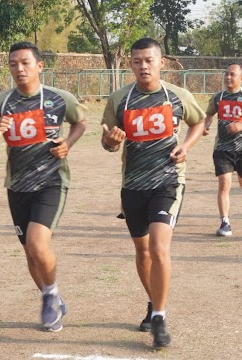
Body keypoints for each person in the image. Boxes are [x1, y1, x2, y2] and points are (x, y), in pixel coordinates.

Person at [100, 38, 205, 348]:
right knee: (143, 252)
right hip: (132, 185)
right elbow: (107, 141)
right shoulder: (119, 99)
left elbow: (198, 122)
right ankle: (152, 300)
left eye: (149, 60)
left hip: (168, 182)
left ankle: (159, 317)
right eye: (136, 61)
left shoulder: (177, 95)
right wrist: (112, 141)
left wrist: (185, 146)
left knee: (159, 248)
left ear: (161, 63)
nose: (143, 66)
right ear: (130, 64)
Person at [0, 42, 87, 332]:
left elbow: (80, 122)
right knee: (30, 251)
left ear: (39, 66)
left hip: (51, 181)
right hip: (17, 185)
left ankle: (50, 295)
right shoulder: (0, 103)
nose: (19, 68)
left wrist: (68, 143)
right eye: (13, 64)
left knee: (38, 243)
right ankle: (53, 297)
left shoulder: (59, 99)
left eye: (25, 62)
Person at [203, 63, 242, 236]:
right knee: (224, 184)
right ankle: (225, 222)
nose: (229, 78)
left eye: (233, 75)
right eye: (227, 74)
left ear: (241, 78)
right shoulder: (218, 97)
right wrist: (205, 126)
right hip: (222, 148)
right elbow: (209, 115)